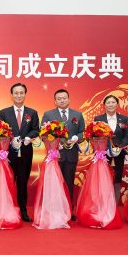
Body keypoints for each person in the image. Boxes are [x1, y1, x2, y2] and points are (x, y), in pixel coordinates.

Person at [0, 83, 39, 222]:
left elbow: (36, 129)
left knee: (22, 182)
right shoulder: (4, 112)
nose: (19, 95)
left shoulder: (32, 112)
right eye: (16, 93)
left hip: (26, 152)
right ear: (11, 95)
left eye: (21, 93)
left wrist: (28, 137)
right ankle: (7, 209)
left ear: (25, 94)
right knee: (8, 182)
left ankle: (23, 211)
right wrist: (10, 138)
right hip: (8, 154)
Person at [41, 89, 85, 219]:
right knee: (54, 183)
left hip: (71, 155)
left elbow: (83, 132)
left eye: (64, 98)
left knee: (68, 182)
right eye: (59, 98)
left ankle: (69, 211)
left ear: (69, 99)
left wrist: (77, 137)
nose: (62, 100)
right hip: (55, 155)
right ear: (55, 101)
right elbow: (43, 132)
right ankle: (53, 210)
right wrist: (53, 143)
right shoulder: (48, 114)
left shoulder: (78, 114)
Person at [94, 95, 128, 203]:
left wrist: (119, 147)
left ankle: (114, 209)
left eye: (113, 102)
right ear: (104, 105)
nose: (111, 105)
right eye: (108, 102)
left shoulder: (123, 118)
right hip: (103, 155)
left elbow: (126, 136)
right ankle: (104, 205)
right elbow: (95, 136)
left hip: (119, 154)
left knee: (117, 180)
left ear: (117, 104)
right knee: (103, 180)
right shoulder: (98, 119)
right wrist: (103, 148)